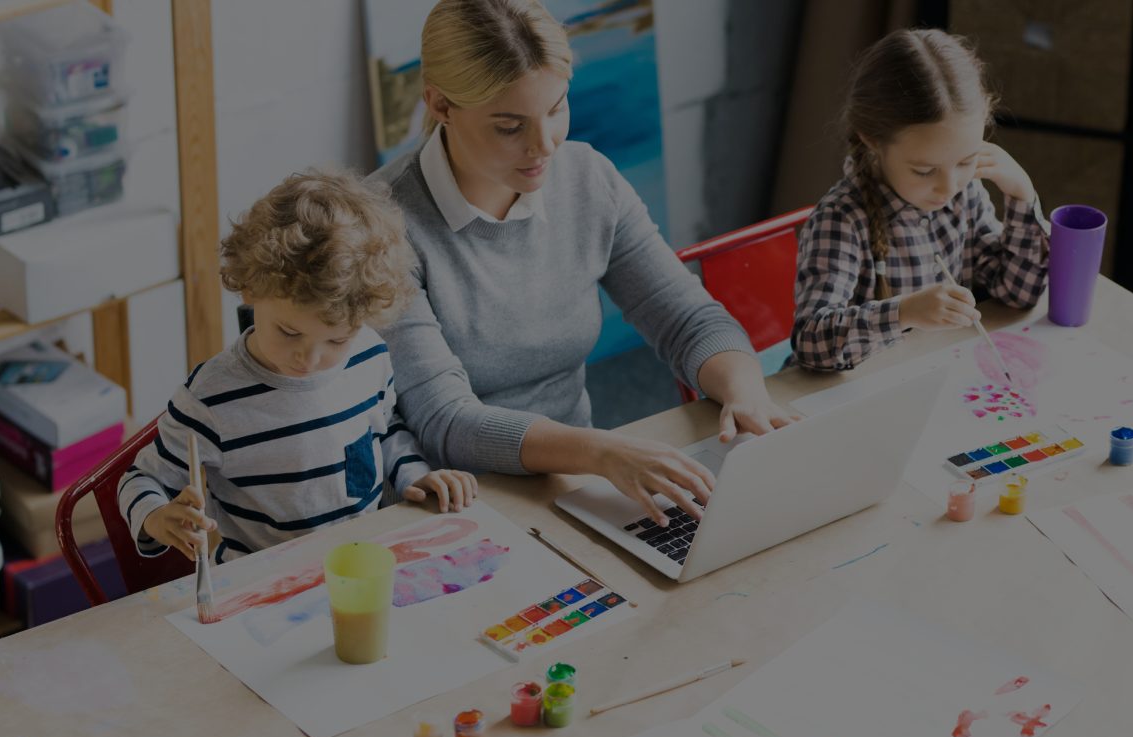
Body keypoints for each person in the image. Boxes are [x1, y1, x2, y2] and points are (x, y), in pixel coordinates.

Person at [370, 0, 796, 529]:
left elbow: (688, 318)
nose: (545, 145)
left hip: (575, 482)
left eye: (556, 109)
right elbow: (445, 420)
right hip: (450, 505)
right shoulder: (379, 226)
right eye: (510, 126)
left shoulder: (588, 179)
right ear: (440, 105)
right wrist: (602, 452)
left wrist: (744, 389)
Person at [120, 170, 477, 563]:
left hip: (355, 565)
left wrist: (415, 475)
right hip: (260, 583)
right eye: (289, 332)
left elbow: (384, 426)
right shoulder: (209, 399)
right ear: (251, 289)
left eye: (337, 340)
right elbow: (141, 479)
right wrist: (155, 517)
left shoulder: (368, 355)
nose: (308, 359)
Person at [792, 28, 1050, 372]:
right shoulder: (842, 219)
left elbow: (1019, 293)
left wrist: (1022, 196)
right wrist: (904, 313)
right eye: (925, 171)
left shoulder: (966, 193)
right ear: (872, 140)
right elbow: (811, 343)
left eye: (965, 161)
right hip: (859, 397)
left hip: (934, 376)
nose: (948, 187)